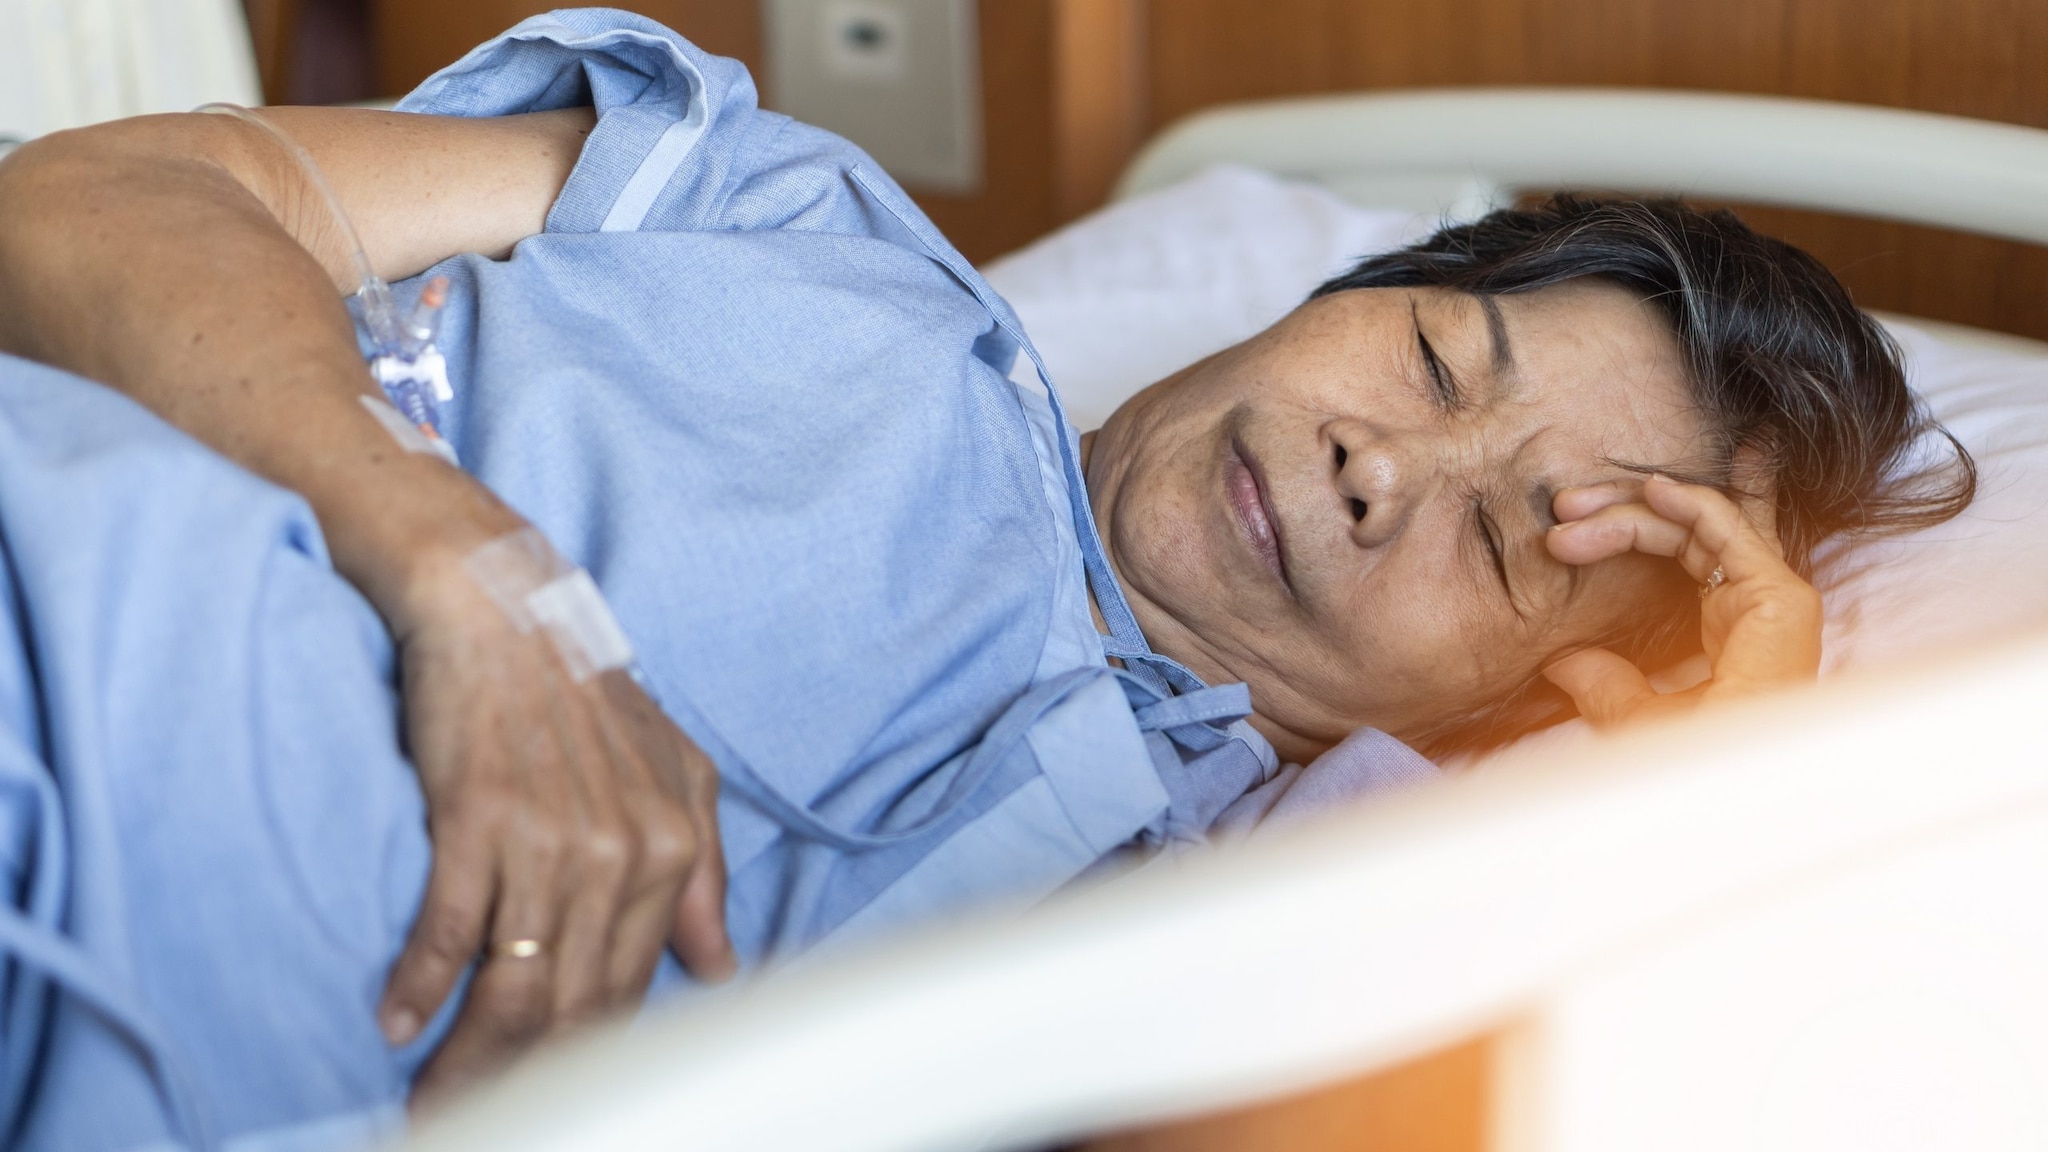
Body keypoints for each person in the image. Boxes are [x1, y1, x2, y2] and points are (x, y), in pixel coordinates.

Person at [0, 10, 1971, 1149]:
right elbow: (107, 199)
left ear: (1495, 713)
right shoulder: (780, 218)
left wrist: (1734, 778)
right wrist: (464, 565)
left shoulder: (1216, 945)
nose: (1392, 467)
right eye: (1441, 366)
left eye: (1499, 543)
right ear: (1330, 296)